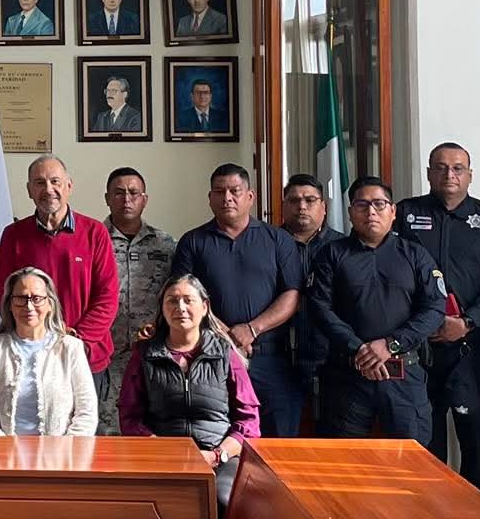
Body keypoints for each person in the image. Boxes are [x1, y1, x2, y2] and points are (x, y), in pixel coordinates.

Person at [397, 142, 480, 498]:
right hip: (419, 347)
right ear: (429, 173)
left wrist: (468, 321)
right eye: (441, 167)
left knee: (478, 433)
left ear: (469, 175)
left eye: (458, 168)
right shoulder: (405, 213)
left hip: (472, 344)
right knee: (423, 436)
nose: (449, 174)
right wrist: (420, 325)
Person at [307, 177, 448, 442]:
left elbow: (434, 307)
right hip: (348, 376)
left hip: (403, 375)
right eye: (362, 205)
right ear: (350, 212)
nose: (371, 211)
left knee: (410, 460)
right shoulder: (331, 254)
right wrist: (360, 349)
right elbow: (319, 307)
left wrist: (391, 344)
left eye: (379, 204)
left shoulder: (415, 255)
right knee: (345, 462)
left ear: (393, 211)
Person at [169, 164, 306, 436]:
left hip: (271, 358)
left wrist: (252, 329)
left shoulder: (278, 240)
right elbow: (183, 296)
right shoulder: (192, 242)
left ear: (250, 197)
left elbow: (292, 295)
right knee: (218, 438)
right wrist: (227, 336)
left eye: (235, 191)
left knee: (279, 440)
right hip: (212, 356)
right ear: (210, 198)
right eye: (219, 192)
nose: (227, 198)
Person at [117, 274, 260, 507]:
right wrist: (161, 449)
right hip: (160, 454)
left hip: (219, 456)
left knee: (221, 500)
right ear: (162, 309)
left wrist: (217, 455)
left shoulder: (225, 354)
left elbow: (249, 421)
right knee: (147, 502)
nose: (180, 308)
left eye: (188, 300)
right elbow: (129, 417)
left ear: (204, 307)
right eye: (172, 301)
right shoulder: (145, 354)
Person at [0, 156, 121, 386]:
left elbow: (107, 298)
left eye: (55, 181)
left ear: (69, 186)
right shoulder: (13, 235)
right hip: (31, 357)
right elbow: (5, 297)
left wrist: (74, 339)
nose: (48, 189)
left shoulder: (95, 233)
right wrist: (39, 340)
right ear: (29, 190)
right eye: (39, 183)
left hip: (86, 355)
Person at [0, 268, 98, 436]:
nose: (29, 306)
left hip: (61, 451)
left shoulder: (71, 348)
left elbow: (87, 412)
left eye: (37, 299)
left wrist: (64, 449)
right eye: (21, 298)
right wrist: (4, 447)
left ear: (50, 304)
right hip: (3, 450)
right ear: (9, 305)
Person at [102, 167, 175, 433]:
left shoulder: (165, 244)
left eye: (134, 193)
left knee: (152, 432)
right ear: (107, 198)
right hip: (106, 356)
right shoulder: (93, 239)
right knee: (107, 433)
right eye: (119, 193)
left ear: (145, 199)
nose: (127, 199)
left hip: (152, 354)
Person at [280, 172, 344, 397]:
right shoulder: (267, 243)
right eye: (294, 200)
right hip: (280, 355)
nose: (302, 206)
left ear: (324, 207)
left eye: (310, 200)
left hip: (333, 355)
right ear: (284, 206)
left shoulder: (343, 247)